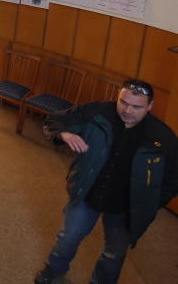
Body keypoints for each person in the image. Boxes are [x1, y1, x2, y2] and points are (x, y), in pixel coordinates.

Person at [34, 79, 178, 284]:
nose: (127, 110)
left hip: (126, 208)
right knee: (68, 237)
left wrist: (150, 203)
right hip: (89, 192)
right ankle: (52, 271)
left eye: (137, 107)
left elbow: (174, 178)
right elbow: (55, 120)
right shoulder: (99, 111)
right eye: (123, 102)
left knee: (113, 256)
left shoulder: (162, 137)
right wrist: (63, 133)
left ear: (150, 107)